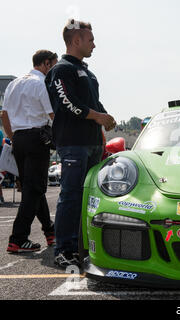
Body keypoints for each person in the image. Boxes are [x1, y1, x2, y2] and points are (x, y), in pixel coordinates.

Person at [45, 20, 116, 268]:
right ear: (76, 41)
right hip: (73, 144)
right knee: (72, 196)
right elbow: (68, 103)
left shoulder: (88, 72)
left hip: (93, 143)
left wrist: (106, 117)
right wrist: (98, 117)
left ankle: (80, 246)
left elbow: (94, 103)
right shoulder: (61, 70)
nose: (94, 44)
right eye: (90, 40)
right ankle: (64, 249)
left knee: (90, 198)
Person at [1, 50, 58, 253]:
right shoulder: (41, 83)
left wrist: (13, 137)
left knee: (33, 188)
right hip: (37, 138)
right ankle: (18, 238)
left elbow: (4, 114)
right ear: (46, 64)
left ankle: (50, 232)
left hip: (19, 139)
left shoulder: (13, 84)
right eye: (54, 65)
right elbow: (52, 114)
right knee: (34, 189)